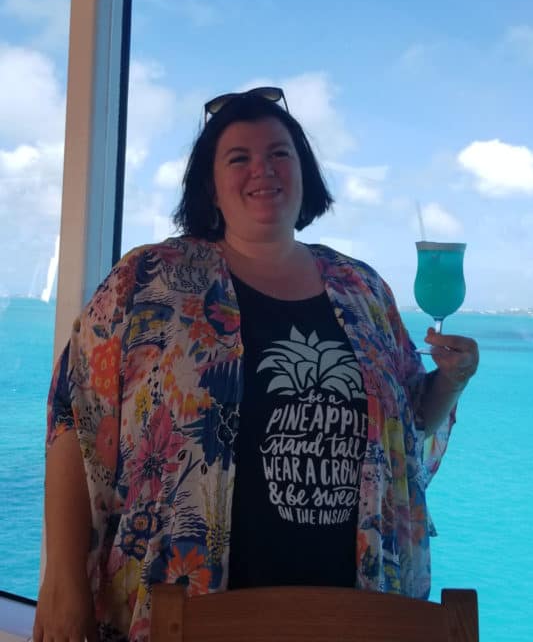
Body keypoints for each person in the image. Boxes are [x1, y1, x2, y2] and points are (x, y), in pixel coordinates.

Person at [34, 86, 479, 642]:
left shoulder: (361, 288)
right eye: (238, 158)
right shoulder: (149, 280)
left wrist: (453, 380)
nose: (261, 170)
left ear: (303, 173)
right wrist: (63, 582)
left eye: (279, 153)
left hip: (357, 606)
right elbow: (73, 419)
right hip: (180, 602)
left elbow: (405, 430)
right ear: (211, 187)